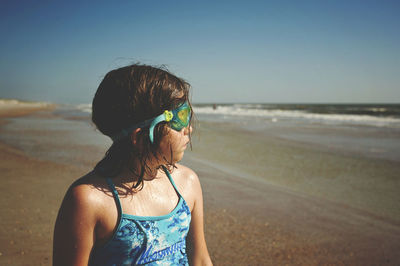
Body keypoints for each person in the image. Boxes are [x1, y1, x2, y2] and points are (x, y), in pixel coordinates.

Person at [53, 64, 213, 265]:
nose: (188, 128)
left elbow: (200, 258)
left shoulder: (187, 183)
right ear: (141, 135)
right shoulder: (90, 200)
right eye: (180, 118)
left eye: (187, 113)